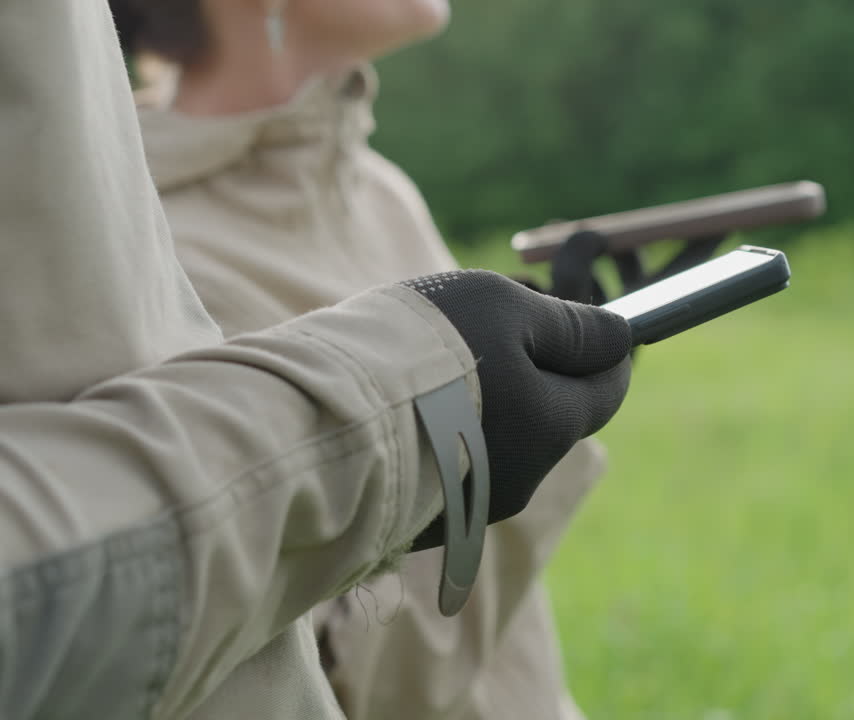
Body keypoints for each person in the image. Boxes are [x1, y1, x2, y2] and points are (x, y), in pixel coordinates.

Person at [0, 2, 632, 719]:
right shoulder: (157, 254)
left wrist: (565, 353)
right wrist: (506, 450)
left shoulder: (381, 190)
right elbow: (355, 688)